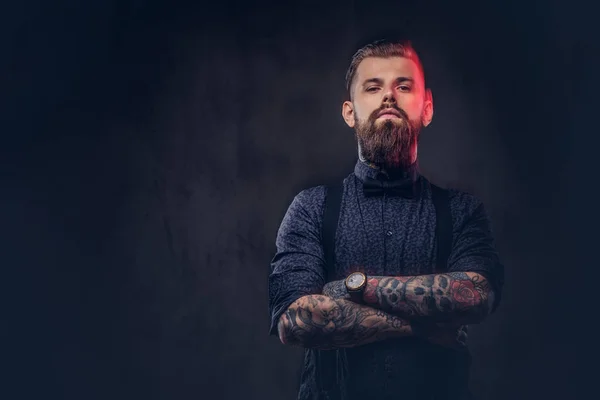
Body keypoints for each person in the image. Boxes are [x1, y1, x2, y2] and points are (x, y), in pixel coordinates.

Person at [268, 38, 504, 400]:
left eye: (403, 86)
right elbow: (295, 321)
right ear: (350, 112)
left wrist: (349, 288)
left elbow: (476, 295)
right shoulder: (310, 207)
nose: (388, 96)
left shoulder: (462, 211)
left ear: (427, 108)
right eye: (373, 87)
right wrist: (423, 326)